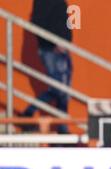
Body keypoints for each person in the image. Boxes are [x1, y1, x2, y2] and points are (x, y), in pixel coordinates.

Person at [22, 0, 72, 134]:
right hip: (51, 50)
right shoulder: (43, 1)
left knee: (64, 91)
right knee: (59, 89)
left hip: (62, 48)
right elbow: (38, 23)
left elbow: (64, 21)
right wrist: (54, 42)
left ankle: (63, 129)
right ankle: (29, 112)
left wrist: (66, 42)